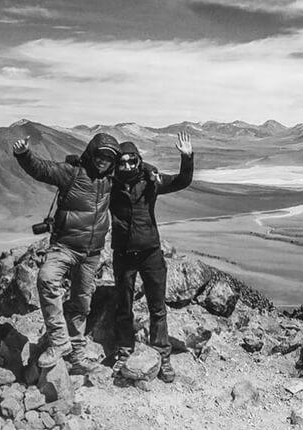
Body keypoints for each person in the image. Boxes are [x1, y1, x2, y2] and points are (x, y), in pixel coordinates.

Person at [13, 133, 120, 374]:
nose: (104, 160)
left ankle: (77, 354)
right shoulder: (73, 173)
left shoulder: (112, 179)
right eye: (101, 154)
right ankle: (59, 343)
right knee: (47, 280)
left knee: (81, 303)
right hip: (65, 246)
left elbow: (135, 168)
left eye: (109, 157)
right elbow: (42, 169)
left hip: (92, 253)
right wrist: (24, 154)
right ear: (92, 152)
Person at [110, 131, 194, 383]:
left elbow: (181, 181)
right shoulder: (110, 183)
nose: (126, 166)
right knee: (123, 306)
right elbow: (86, 167)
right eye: (121, 162)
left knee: (157, 307)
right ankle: (124, 351)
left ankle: (162, 354)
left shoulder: (150, 181)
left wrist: (187, 157)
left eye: (131, 161)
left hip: (150, 253)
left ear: (137, 160)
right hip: (123, 254)